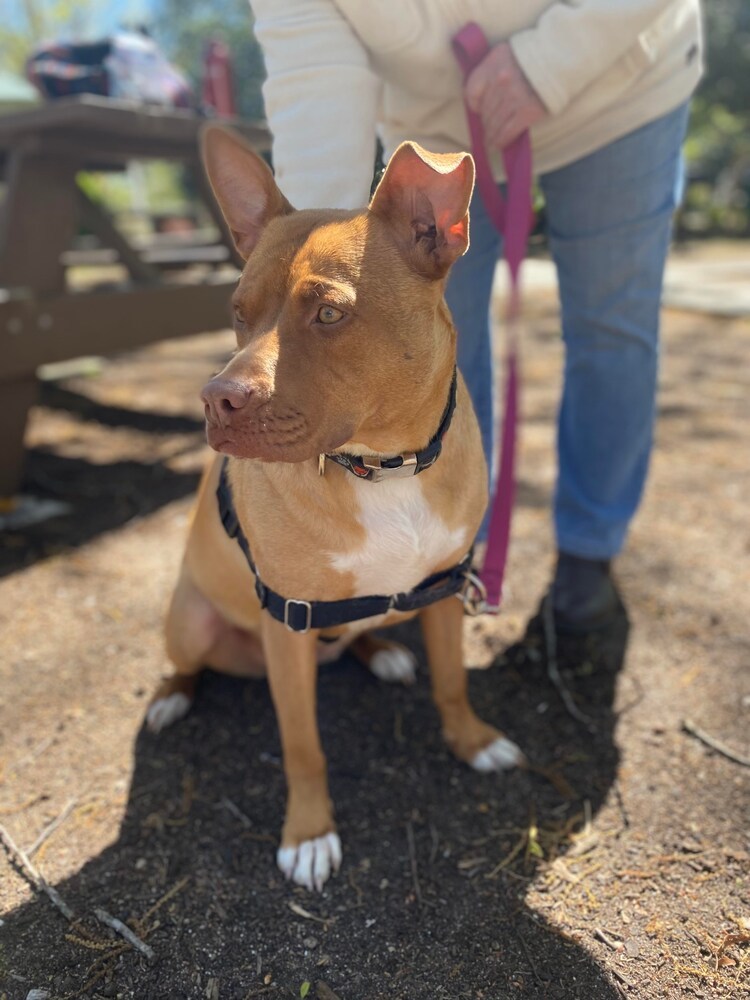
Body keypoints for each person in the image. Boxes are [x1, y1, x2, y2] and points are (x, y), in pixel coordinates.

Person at [249, 0, 703, 632]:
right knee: (432, 348)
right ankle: (445, 558)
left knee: (613, 328)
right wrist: (322, 269)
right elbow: (312, 79)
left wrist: (548, 64)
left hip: (620, 86)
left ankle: (588, 553)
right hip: (438, 129)